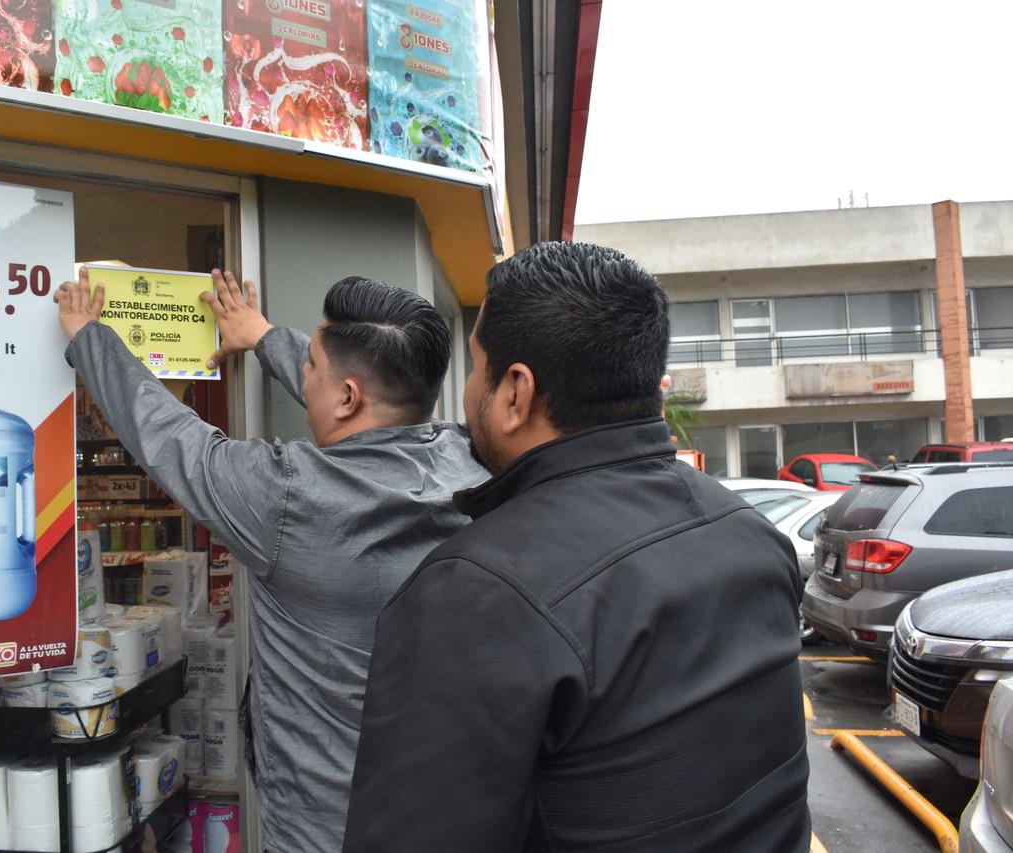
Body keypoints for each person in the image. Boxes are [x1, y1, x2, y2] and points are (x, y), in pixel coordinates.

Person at [342, 242, 811, 853]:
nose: (467, 394)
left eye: (476, 368)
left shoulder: (477, 593)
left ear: (515, 391)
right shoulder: (750, 533)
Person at [54, 267, 486, 853]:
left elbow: (170, 436)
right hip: (443, 804)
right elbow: (359, 414)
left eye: (310, 366)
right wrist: (261, 336)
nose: (303, 375)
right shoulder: (469, 465)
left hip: (323, 822)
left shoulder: (285, 497)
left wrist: (89, 337)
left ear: (347, 395)